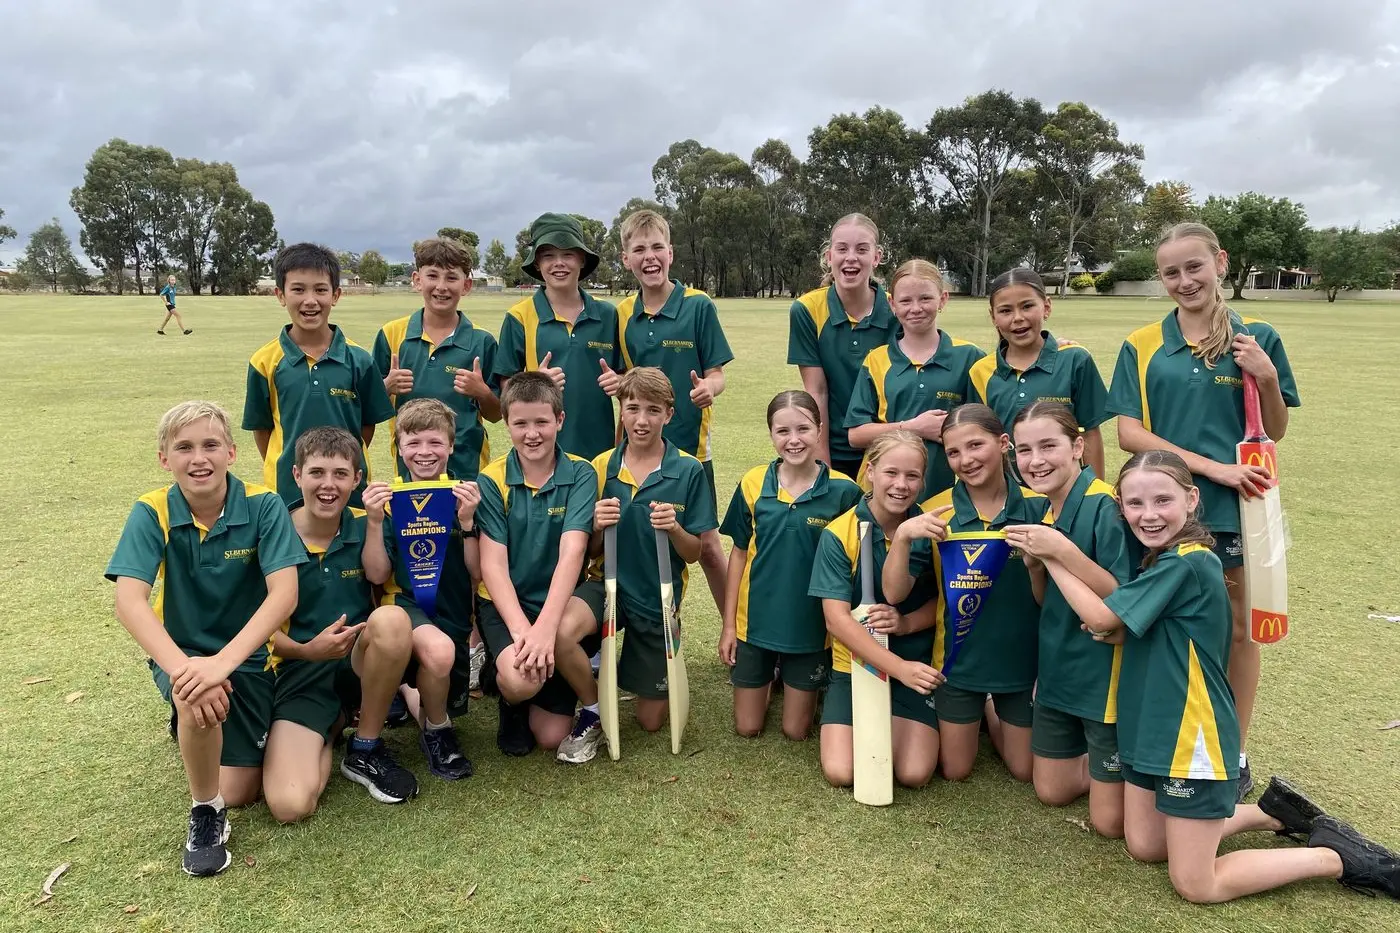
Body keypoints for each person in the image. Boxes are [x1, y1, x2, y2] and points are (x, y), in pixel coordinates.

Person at [1032, 450, 1399, 903]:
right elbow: (1141, 631)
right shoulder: (1162, 559)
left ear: (1191, 499)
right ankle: (1272, 814)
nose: (1148, 516)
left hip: (1192, 734)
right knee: (1145, 846)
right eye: (1135, 504)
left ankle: (1335, 856)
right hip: (1150, 728)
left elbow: (1104, 618)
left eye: (1162, 500)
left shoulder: (1187, 561)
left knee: (1197, 883)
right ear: (1121, 507)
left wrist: (1052, 555)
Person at [1106, 221, 1301, 800]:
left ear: (1220, 261)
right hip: (1161, 514)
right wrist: (1212, 469)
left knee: (1238, 632)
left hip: (1238, 513)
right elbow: (1130, 433)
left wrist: (1264, 376)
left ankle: (1231, 750)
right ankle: (1161, 740)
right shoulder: (1142, 343)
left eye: (1195, 266)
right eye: (1171, 272)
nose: (1185, 280)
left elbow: (1275, 431)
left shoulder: (1257, 334)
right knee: (1165, 629)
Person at [104, 401, 303, 876]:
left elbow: (284, 595)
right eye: (184, 447)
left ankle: (198, 738)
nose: (199, 458)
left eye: (211, 445)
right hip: (183, 656)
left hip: (248, 659)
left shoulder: (263, 504)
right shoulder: (151, 510)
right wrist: (187, 670)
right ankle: (205, 812)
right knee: (196, 697)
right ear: (164, 458)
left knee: (242, 790)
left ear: (232, 453)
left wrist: (224, 662)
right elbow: (130, 602)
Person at [560, 366, 718, 761]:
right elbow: (591, 549)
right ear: (621, 411)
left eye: (652, 410)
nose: (641, 420)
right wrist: (597, 525)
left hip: (655, 596)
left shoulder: (688, 470)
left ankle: (633, 671)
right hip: (607, 585)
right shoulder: (600, 467)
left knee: (650, 720)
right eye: (632, 409)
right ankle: (594, 707)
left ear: (669, 413)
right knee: (561, 634)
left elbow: (695, 553)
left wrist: (676, 529)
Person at [883, 404, 1046, 783]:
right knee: (956, 771)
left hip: (1022, 666)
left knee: (1024, 771)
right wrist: (905, 535)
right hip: (958, 666)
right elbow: (894, 592)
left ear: (1003, 443)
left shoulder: (1039, 507)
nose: (966, 460)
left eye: (976, 446)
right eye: (953, 452)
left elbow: (1049, 599)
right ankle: (981, 705)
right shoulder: (935, 512)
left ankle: (993, 707)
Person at [270, 427, 419, 811]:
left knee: (392, 620)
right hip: (299, 675)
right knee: (292, 805)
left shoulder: (364, 520)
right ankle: (332, 727)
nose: (328, 485)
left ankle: (365, 746)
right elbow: (257, 630)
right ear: (297, 475)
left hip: (357, 666)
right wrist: (307, 651)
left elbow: (376, 576)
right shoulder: (272, 531)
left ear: (357, 479)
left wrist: (371, 523)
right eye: (317, 472)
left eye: (340, 474)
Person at [1002, 402, 1132, 837]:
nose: (1036, 461)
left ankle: (1133, 780)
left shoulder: (1107, 505)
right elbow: (1045, 600)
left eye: (1048, 446)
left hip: (1105, 674)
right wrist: (1037, 568)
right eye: (1024, 450)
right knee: (1051, 792)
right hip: (1057, 670)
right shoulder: (1043, 512)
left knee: (1110, 824)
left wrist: (1060, 551)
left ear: (1078, 447)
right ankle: (1106, 777)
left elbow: (1123, 600)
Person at [719, 390, 861, 740]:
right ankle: (769, 672)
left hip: (811, 627)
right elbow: (738, 554)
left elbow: (854, 566)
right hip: (755, 622)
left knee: (796, 731)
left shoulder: (845, 492)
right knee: (747, 727)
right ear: (771, 434)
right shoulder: (753, 483)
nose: (793, 440)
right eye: (782, 431)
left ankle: (792, 675)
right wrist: (727, 627)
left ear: (819, 429)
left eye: (803, 429)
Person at [808, 431, 943, 791]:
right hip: (855, 664)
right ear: (870, 471)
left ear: (923, 480)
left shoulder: (932, 531)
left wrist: (906, 624)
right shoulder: (839, 534)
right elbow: (836, 620)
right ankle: (837, 708)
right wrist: (897, 668)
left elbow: (949, 605)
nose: (901, 485)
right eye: (891, 473)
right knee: (842, 772)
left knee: (912, 773)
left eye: (912, 476)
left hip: (915, 664)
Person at [475, 372, 599, 756]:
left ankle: (564, 685)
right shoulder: (491, 478)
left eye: (542, 422)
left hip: (557, 601)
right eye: (520, 423)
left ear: (560, 421)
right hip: (505, 604)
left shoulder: (581, 472)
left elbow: (573, 553)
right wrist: (524, 632)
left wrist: (545, 629)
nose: (532, 434)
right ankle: (510, 700)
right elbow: (493, 567)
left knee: (549, 736)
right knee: (519, 680)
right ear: (507, 424)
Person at [616, 208, 733, 613]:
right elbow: (623, 381)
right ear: (625, 258)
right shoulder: (622, 314)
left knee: (707, 544)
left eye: (657, 247)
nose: (649, 256)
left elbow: (717, 374)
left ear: (671, 253)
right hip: (640, 449)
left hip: (690, 448)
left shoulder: (698, 305)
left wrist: (708, 390)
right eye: (639, 249)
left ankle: (735, 631)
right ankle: (657, 627)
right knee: (646, 535)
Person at [361, 399, 480, 782]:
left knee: (437, 677)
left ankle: (405, 689)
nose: (424, 452)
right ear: (398, 447)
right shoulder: (391, 500)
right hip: (406, 606)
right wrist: (375, 522)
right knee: (440, 654)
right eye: (413, 443)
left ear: (451, 445)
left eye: (434, 442)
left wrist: (467, 523)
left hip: (454, 610)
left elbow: (477, 572)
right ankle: (439, 732)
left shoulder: (467, 495)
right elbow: (378, 574)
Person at [243, 243, 395, 508]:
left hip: (349, 489)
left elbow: (366, 427)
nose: (310, 300)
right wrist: (286, 461)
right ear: (281, 295)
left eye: (320, 290)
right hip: (288, 490)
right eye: (298, 289)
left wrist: (343, 462)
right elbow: (263, 430)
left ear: (335, 295)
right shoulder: (264, 361)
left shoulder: (360, 359)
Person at [846, 259, 985, 501]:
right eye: (906, 300)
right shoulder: (876, 360)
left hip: (947, 493)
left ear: (942, 299)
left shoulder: (969, 357)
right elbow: (856, 435)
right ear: (892, 304)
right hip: (886, 492)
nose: (916, 308)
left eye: (925, 298)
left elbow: (987, 424)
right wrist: (913, 428)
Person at [373, 236, 502, 484]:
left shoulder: (482, 342)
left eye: (451, 277)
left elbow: (496, 414)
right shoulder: (392, 335)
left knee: (465, 523)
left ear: (466, 285)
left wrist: (482, 392)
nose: (441, 286)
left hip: (467, 468)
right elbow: (366, 407)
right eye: (432, 276)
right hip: (409, 467)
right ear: (416, 280)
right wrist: (385, 387)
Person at [496, 213, 624, 460]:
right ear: (536, 264)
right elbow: (505, 385)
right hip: (541, 451)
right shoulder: (519, 317)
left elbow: (627, 375)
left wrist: (620, 383)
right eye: (548, 256)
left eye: (567, 254)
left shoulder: (608, 314)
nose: (559, 263)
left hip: (600, 449)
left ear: (582, 259)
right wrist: (533, 384)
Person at [787, 213, 898, 478]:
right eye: (842, 249)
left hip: (890, 448)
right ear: (829, 257)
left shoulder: (898, 308)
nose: (851, 257)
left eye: (862, 249)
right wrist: (822, 462)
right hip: (833, 447)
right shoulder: (807, 309)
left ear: (877, 257)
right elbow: (817, 390)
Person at [969, 268, 1108, 479]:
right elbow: (981, 443)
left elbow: (1089, 433)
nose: (1017, 318)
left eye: (1027, 306)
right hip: (1011, 499)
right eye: (1005, 310)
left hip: (1066, 494)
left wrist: (1095, 496)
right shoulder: (981, 371)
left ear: (1046, 307)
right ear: (993, 317)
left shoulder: (1075, 360)